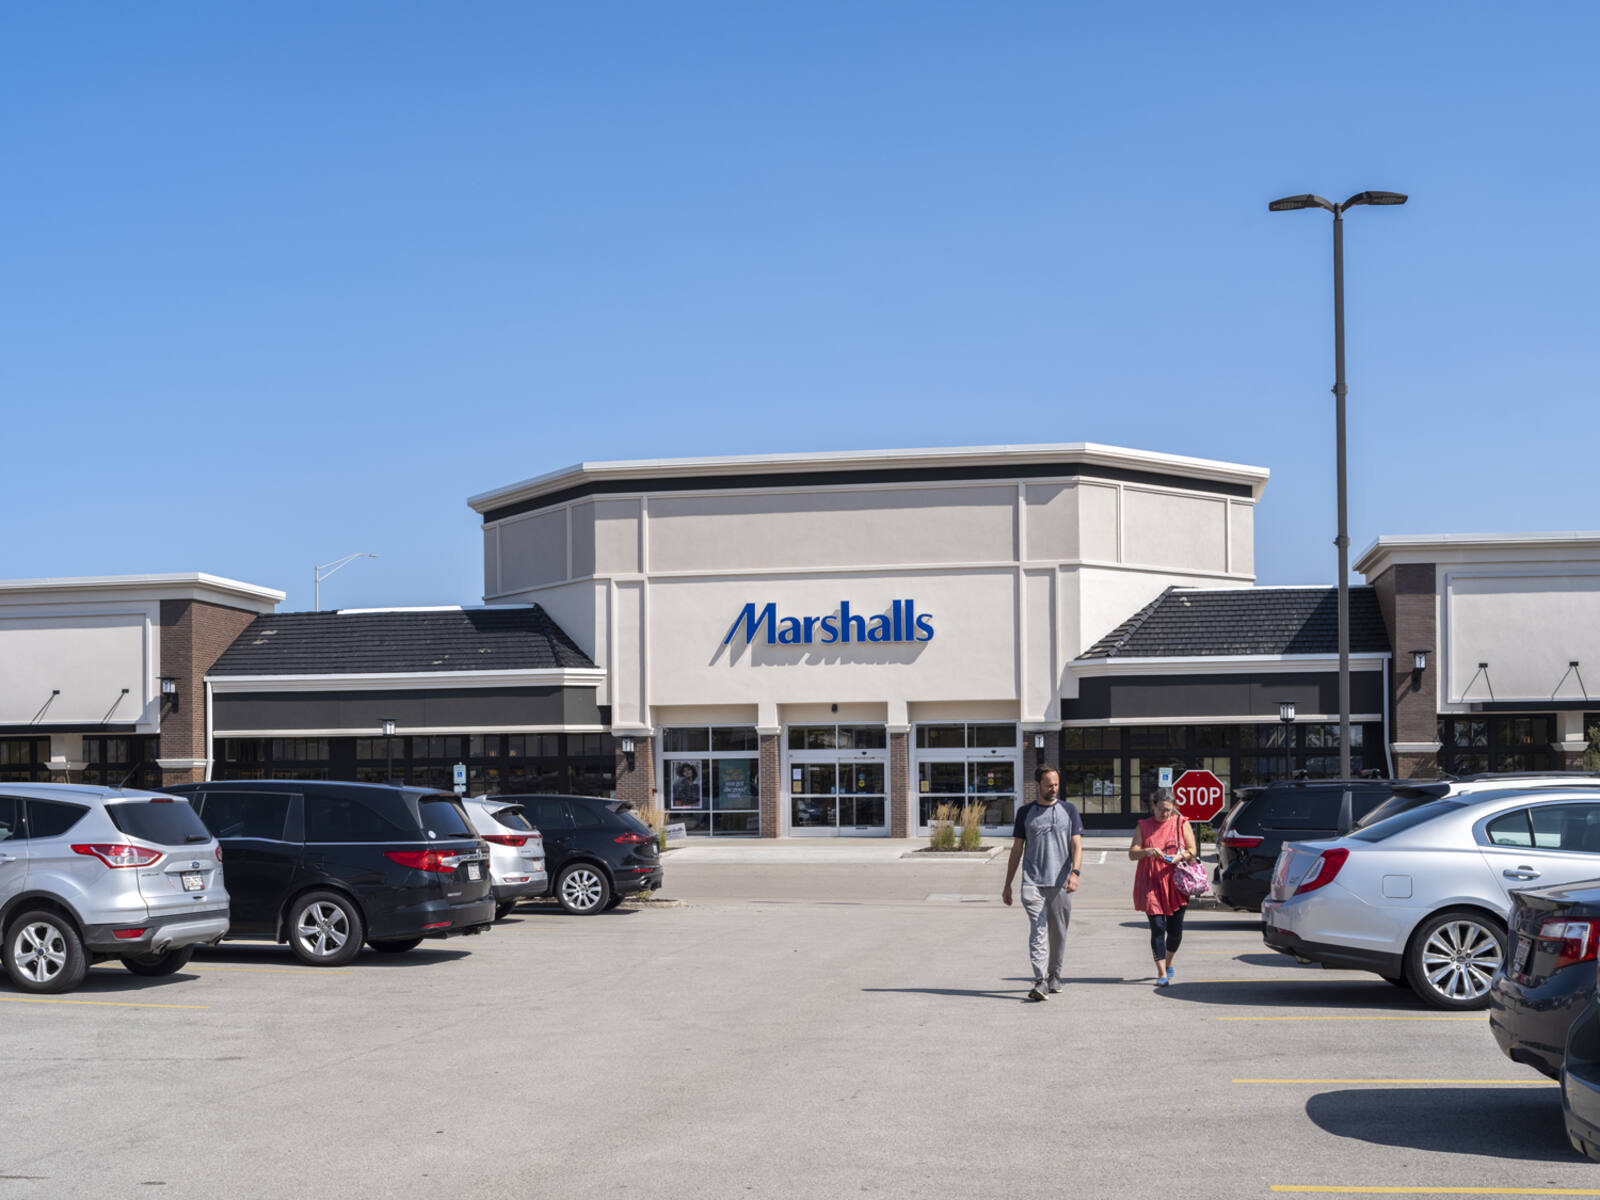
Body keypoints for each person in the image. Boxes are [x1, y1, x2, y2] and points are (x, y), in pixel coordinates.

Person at [1001, 767, 1083, 1002]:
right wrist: (1007, 884)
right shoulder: (1025, 812)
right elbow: (1017, 850)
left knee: (1058, 933)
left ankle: (1055, 974)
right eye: (1048, 784)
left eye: (1056, 784)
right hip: (1032, 881)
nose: (1053, 789)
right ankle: (1040, 980)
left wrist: (1075, 873)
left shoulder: (1069, 810)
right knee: (1038, 929)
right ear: (1037, 785)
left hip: (1060, 882)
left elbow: (1077, 845)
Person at [1129, 787, 1197, 987]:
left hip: (1176, 883)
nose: (1165, 813)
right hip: (1151, 882)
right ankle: (1161, 973)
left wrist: (1180, 856)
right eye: (1161, 809)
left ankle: (1169, 961)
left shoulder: (1181, 823)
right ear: (1153, 806)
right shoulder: (1143, 826)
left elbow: (1192, 850)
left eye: (1168, 809)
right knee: (1158, 928)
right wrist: (1146, 851)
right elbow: (1132, 853)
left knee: (1175, 931)